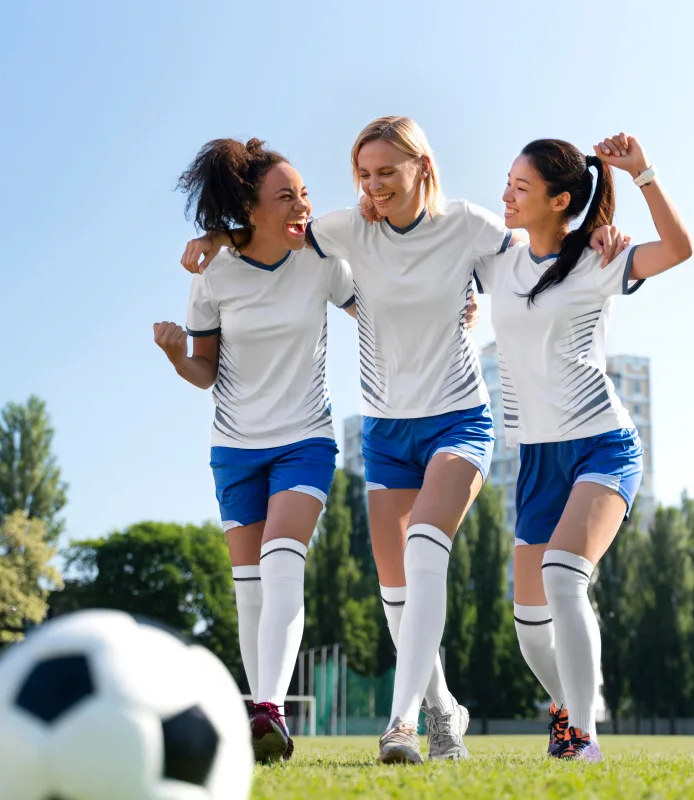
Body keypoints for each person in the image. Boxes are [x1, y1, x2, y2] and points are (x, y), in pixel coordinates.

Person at [182, 117, 628, 764]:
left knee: (425, 547)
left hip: (459, 419)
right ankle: (445, 712)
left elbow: (541, 251)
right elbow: (276, 233)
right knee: (397, 598)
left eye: (387, 171)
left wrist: (599, 234)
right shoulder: (341, 232)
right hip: (386, 431)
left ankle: (401, 725)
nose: (373, 185)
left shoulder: (472, 226)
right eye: (363, 174)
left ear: (424, 166)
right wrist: (216, 235)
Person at [472, 132, 692, 762]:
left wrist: (643, 172)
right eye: (507, 182)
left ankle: (583, 743)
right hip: (538, 458)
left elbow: (678, 249)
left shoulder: (599, 259)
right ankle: (572, 704)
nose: (507, 196)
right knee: (528, 627)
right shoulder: (498, 261)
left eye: (521, 187)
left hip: (602, 445)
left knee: (565, 578)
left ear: (559, 198)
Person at [155, 137, 357, 764]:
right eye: (287, 196)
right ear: (251, 206)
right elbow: (205, 372)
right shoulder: (214, 274)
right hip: (236, 449)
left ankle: (266, 708)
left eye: (305, 193)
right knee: (249, 589)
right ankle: (260, 711)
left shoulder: (323, 258)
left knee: (280, 560)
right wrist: (173, 354)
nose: (303, 204)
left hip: (305, 439)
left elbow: (378, 308)